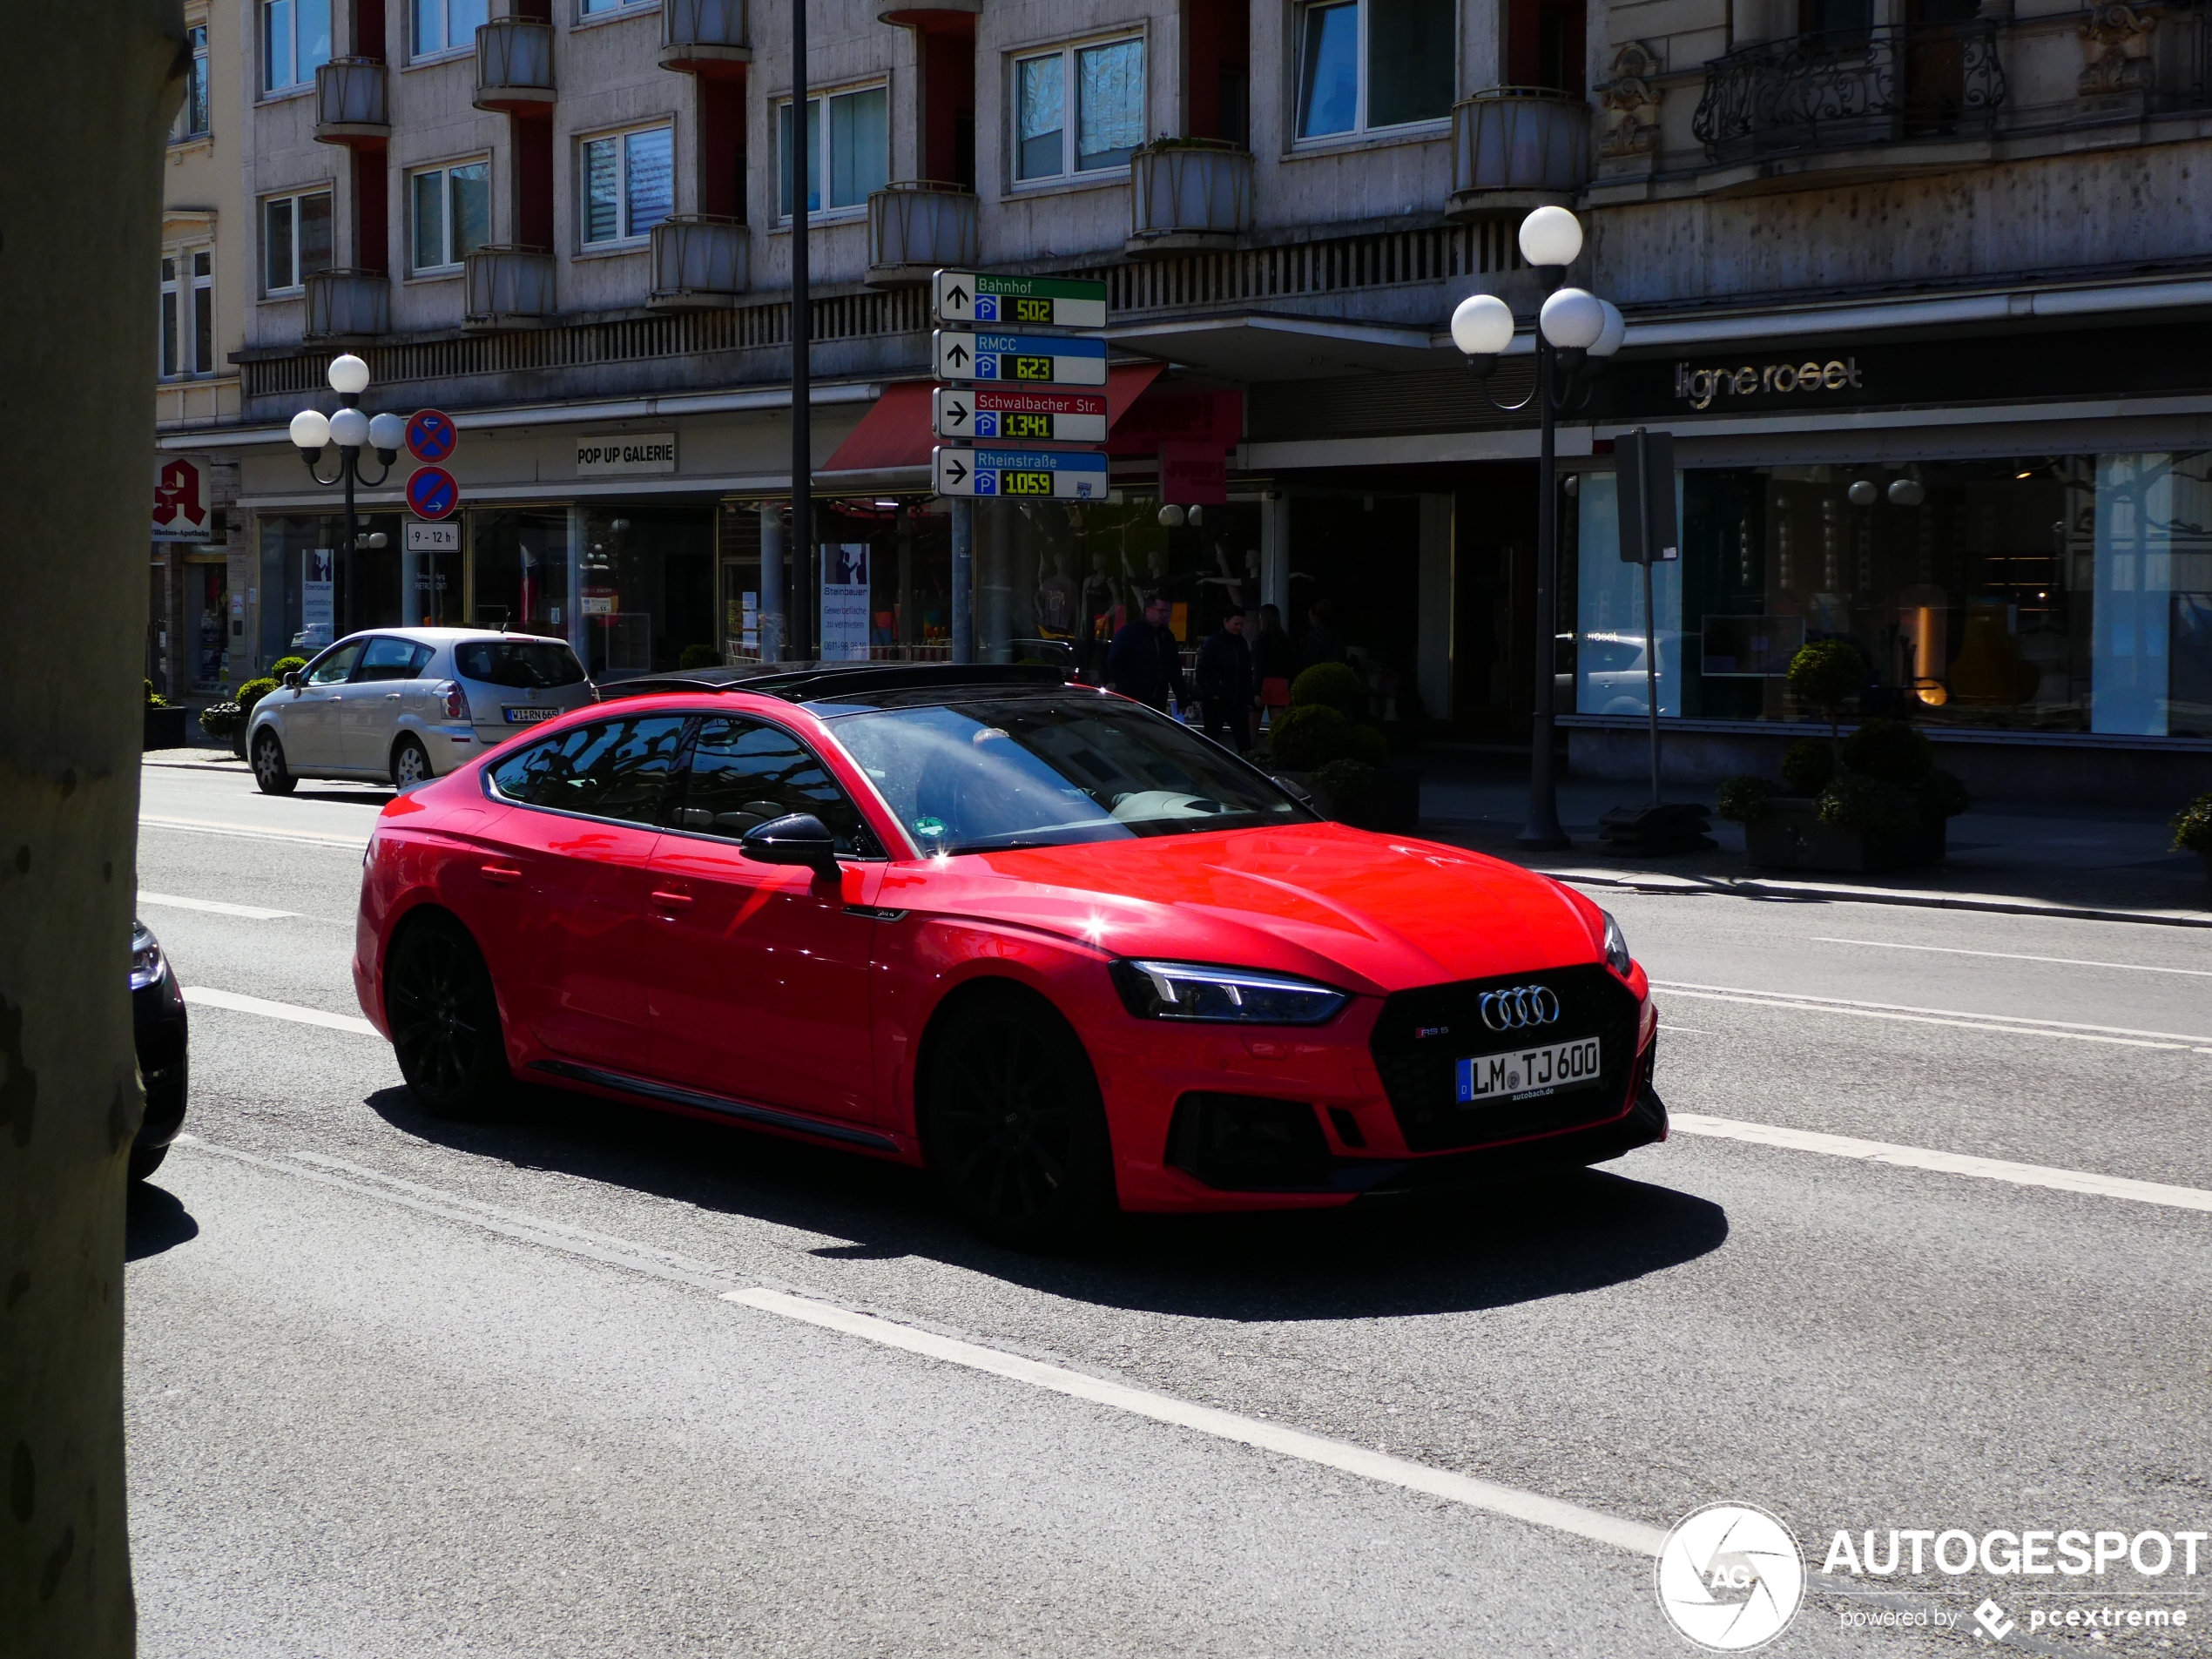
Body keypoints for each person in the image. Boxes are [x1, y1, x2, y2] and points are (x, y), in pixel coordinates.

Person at [1105, 592, 1190, 713]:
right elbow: (1115, 662)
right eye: (1161, 611)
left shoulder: (1166, 635)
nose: (1164, 615)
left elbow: (1174, 668)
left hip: (1157, 699)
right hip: (1133, 698)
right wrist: (1125, 689)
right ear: (1148, 610)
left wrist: (1182, 696)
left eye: (1166, 611)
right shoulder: (1130, 632)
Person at [1196, 607, 1256, 752]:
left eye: (1241, 624)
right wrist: (1212, 693)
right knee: (1213, 740)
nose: (1239, 628)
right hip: (1219, 699)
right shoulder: (1215, 643)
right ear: (1226, 622)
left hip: (1234, 699)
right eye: (1236, 624)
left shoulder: (1239, 643)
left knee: (1242, 741)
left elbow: (1246, 672)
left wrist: (1248, 698)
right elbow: (1202, 671)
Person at [1251, 603, 1295, 726]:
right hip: (1279, 684)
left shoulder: (1260, 640)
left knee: (1252, 727)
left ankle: (1250, 746)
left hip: (1262, 683)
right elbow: (1290, 666)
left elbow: (1258, 667)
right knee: (1278, 727)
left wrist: (1256, 691)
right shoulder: (1285, 639)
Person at [1300, 599, 1345, 670]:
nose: (1309, 621)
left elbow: (1308, 664)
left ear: (1314, 618)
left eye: (1310, 618)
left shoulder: (1313, 637)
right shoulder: (1337, 636)